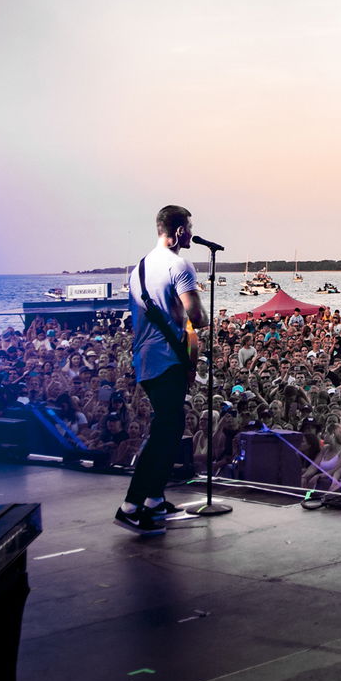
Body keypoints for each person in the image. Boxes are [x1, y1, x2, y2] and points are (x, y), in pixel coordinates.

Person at [116, 204, 205, 536]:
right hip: (168, 359)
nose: (192, 234)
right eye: (190, 229)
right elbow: (197, 318)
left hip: (144, 359)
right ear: (180, 231)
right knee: (164, 432)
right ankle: (130, 505)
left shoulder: (138, 268)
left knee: (170, 428)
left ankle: (154, 498)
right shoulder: (179, 265)